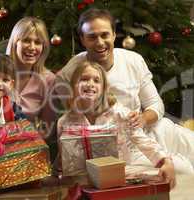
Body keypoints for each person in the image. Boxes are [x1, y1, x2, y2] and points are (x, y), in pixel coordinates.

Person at [56, 8, 194, 174]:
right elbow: (72, 122)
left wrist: (142, 120)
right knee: (183, 171)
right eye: (92, 37)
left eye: (105, 35)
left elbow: (155, 104)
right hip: (120, 149)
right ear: (82, 39)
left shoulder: (132, 60)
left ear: (114, 35)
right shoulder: (70, 71)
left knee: (189, 146)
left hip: (145, 130)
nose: (100, 42)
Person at [57, 60, 175, 188]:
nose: (90, 84)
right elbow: (63, 156)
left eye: (96, 81)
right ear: (73, 85)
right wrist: (57, 175)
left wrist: (166, 162)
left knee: (150, 179)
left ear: (104, 89)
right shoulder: (64, 122)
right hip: (82, 180)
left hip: (118, 175)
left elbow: (143, 141)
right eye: (84, 79)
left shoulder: (120, 114)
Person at [6, 17, 56, 137]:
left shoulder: (48, 80)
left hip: (28, 148)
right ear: (15, 42)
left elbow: (47, 128)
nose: (32, 47)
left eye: (38, 42)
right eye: (26, 40)